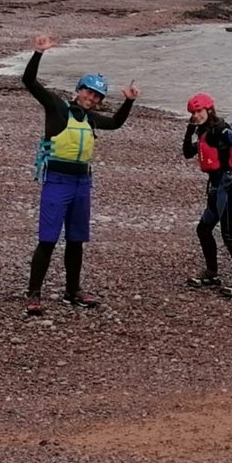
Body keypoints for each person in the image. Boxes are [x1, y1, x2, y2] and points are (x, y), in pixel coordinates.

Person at [23, 34, 139, 316]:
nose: (91, 98)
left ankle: (72, 291)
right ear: (78, 91)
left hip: (81, 184)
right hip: (57, 183)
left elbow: (115, 123)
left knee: (76, 239)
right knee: (48, 240)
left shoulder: (91, 119)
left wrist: (128, 102)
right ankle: (34, 294)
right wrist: (38, 53)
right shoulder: (57, 108)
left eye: (97, 96)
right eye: (88, 92)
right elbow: (30, 82)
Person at [182, 92, 232, 290]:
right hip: (215, 188)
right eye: (193, 112)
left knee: (229, 235)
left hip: (227, 187)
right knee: (203, 229)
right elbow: (188, 152)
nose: (196, 115)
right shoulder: (205, 131)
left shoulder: (221, 130)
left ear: (209, 109)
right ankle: (212, 273)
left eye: (199, 111)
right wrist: (189, 130)